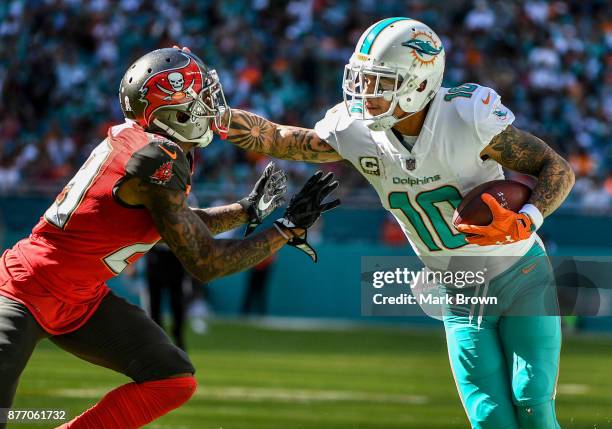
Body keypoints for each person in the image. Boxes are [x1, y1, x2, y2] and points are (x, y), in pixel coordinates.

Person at [224, 18, 575, 429]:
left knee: (532, 403)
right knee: (490, 418)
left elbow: (556, 168)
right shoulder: (355, 130)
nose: (365, 94)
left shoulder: (465, 117)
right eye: (362, 79)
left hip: (521, 273)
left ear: (420, 83)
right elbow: (279, 139)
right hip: (458, 289)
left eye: (380, 82)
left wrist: (526, 219)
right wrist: (216, 116)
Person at [0, 47, 339, 429]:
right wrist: (286, 230)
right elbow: (205, 262)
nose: (212, 104)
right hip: (24, 290)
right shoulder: (156, 159)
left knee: (172, 380)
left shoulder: (149, 144)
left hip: (80, 299)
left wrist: (246, 210)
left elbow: (177, 223)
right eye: (203, 96)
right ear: (175, 112)